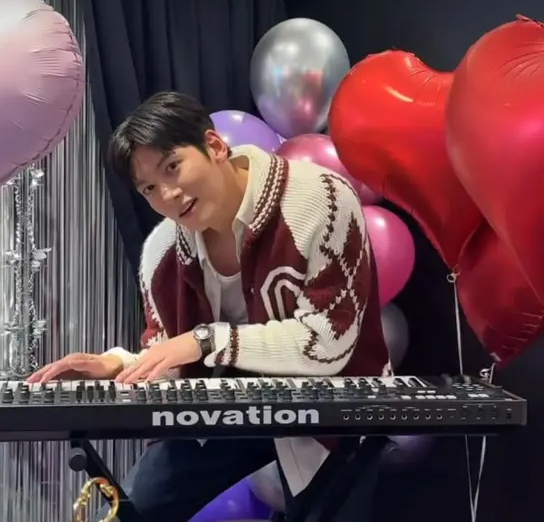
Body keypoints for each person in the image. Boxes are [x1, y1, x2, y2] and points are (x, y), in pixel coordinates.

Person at [27, 91, 391, 522]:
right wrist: (118, 366)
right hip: (221, 405)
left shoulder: (320, 200)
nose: (168, 194)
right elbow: (169, 352)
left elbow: (327, 341)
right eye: (148, 188)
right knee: (135, 512)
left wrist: (206, 340)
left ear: (215, 146)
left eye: (172, 167)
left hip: (330, 406)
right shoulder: (161, 252)